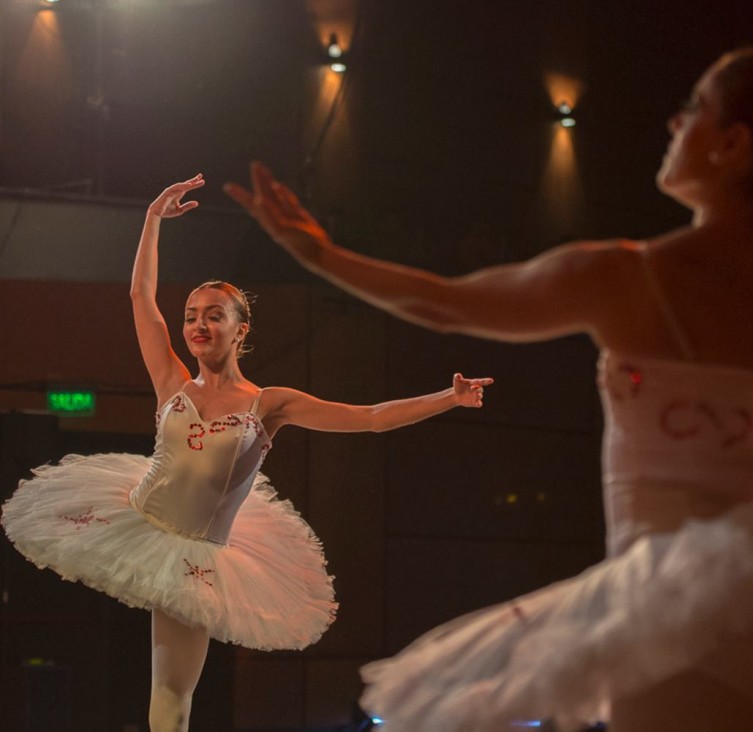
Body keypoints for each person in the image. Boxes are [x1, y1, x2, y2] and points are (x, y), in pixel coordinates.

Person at [227, 49, 753, 732]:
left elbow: (443, 307)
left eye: (695, 109)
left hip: (684, 634)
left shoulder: (630, 277)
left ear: (732, 144)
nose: (674, 124)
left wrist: (322, 255)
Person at [0, 174, 493, 732]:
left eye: (214, 314)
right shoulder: (172, 382)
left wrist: (447, 399)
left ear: (241, 329)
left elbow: (371, 419)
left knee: (171, 695)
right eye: (190, 315)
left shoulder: (269, 404)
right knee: (155, 686)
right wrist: (152, 220)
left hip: (194, 554)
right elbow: (141, 297)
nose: (198, 325)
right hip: (134, 520)